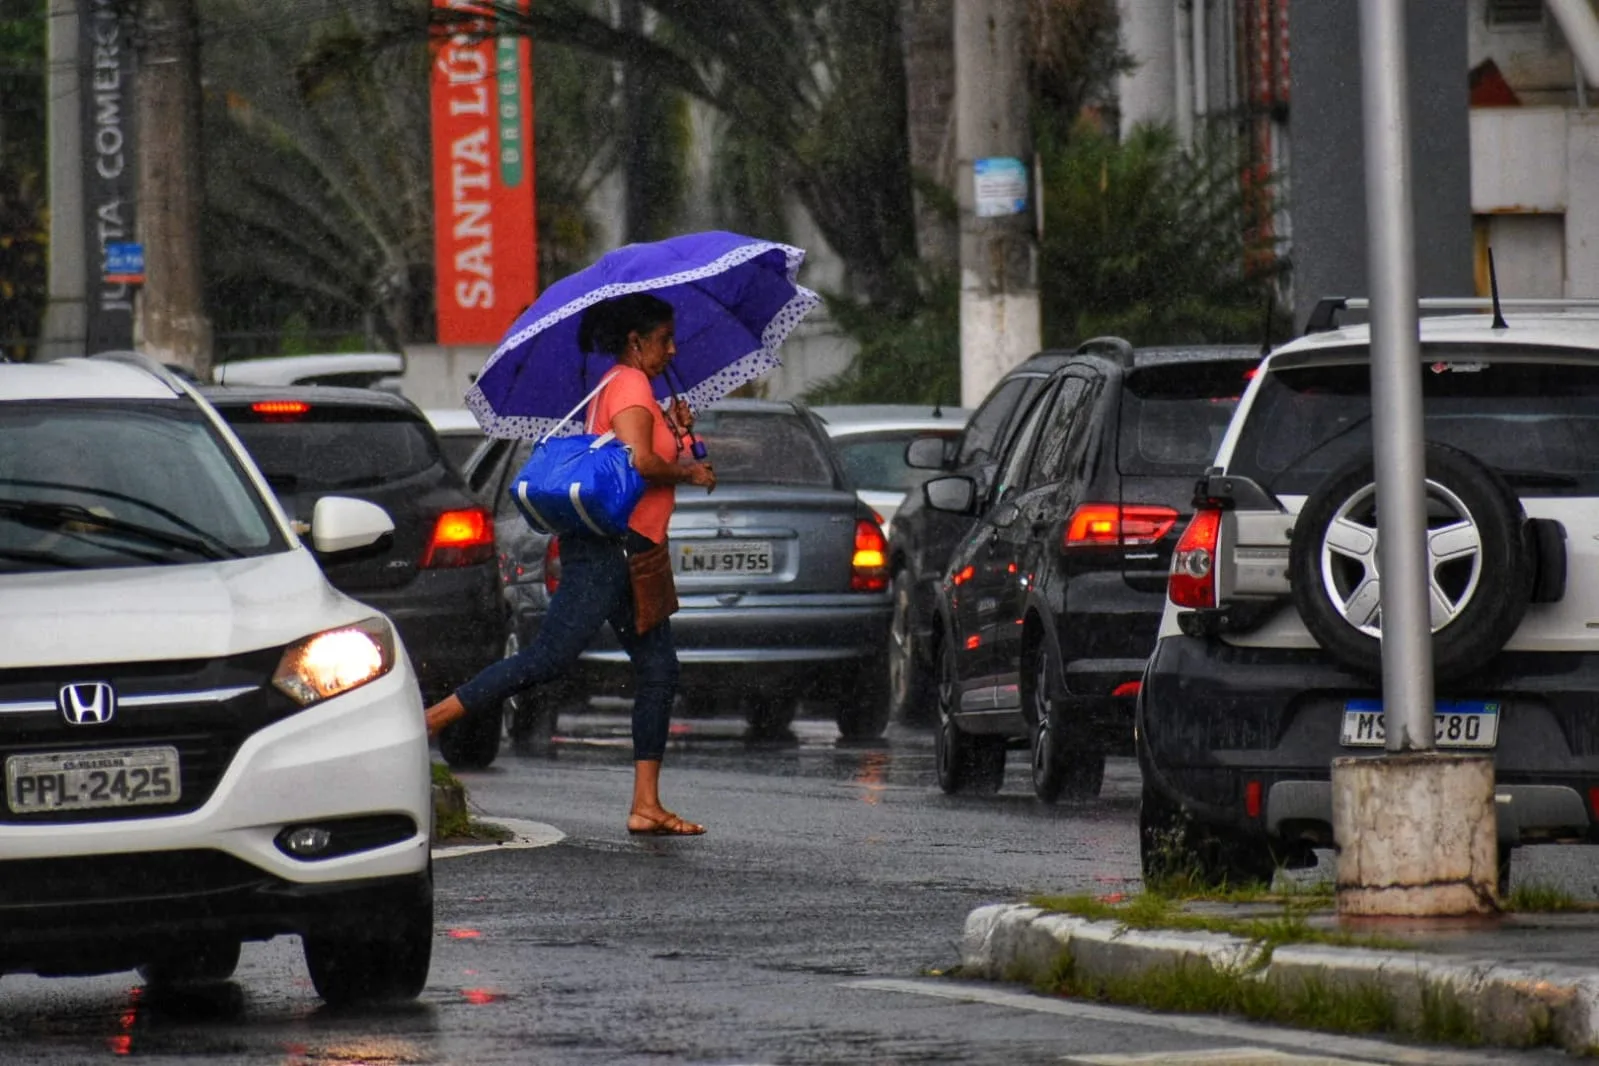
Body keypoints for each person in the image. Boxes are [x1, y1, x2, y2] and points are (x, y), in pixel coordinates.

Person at [423, 293, 718, 836]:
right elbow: (639, 462)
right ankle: (434, 720)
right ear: (635, 342)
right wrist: (690, 474)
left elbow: (647, 451)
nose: (672, 349)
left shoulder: (632, 389)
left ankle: (646, 805)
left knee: (658, 670)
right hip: (612, 550)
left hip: (636, 550)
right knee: (548, 658)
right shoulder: (628, 385)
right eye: (663, 340)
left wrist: (681, 430)